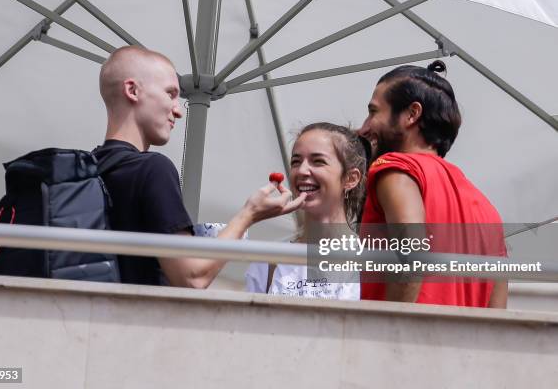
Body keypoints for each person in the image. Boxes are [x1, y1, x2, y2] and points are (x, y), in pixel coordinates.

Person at [94, 46, 306, 288]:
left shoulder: (85, 170)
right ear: (132, 90)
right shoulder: (153, 168)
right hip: (136, 321)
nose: (178, 110)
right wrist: (248, 215)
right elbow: (192, 277)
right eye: (170, 93)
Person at [357, 60, 508, 308]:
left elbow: (411, 258)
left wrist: (384, 333)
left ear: (411, 114)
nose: (364, 127)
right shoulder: (485, 206)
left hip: (403, 341)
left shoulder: (395, 168)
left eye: (373, 112)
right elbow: (498, 310)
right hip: (466, 345)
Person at [246, 122, 368, 299]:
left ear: (350, 178)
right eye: (296, 162)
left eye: (318, 161)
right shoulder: (268, 261)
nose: (302, 170)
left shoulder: (374, 261)